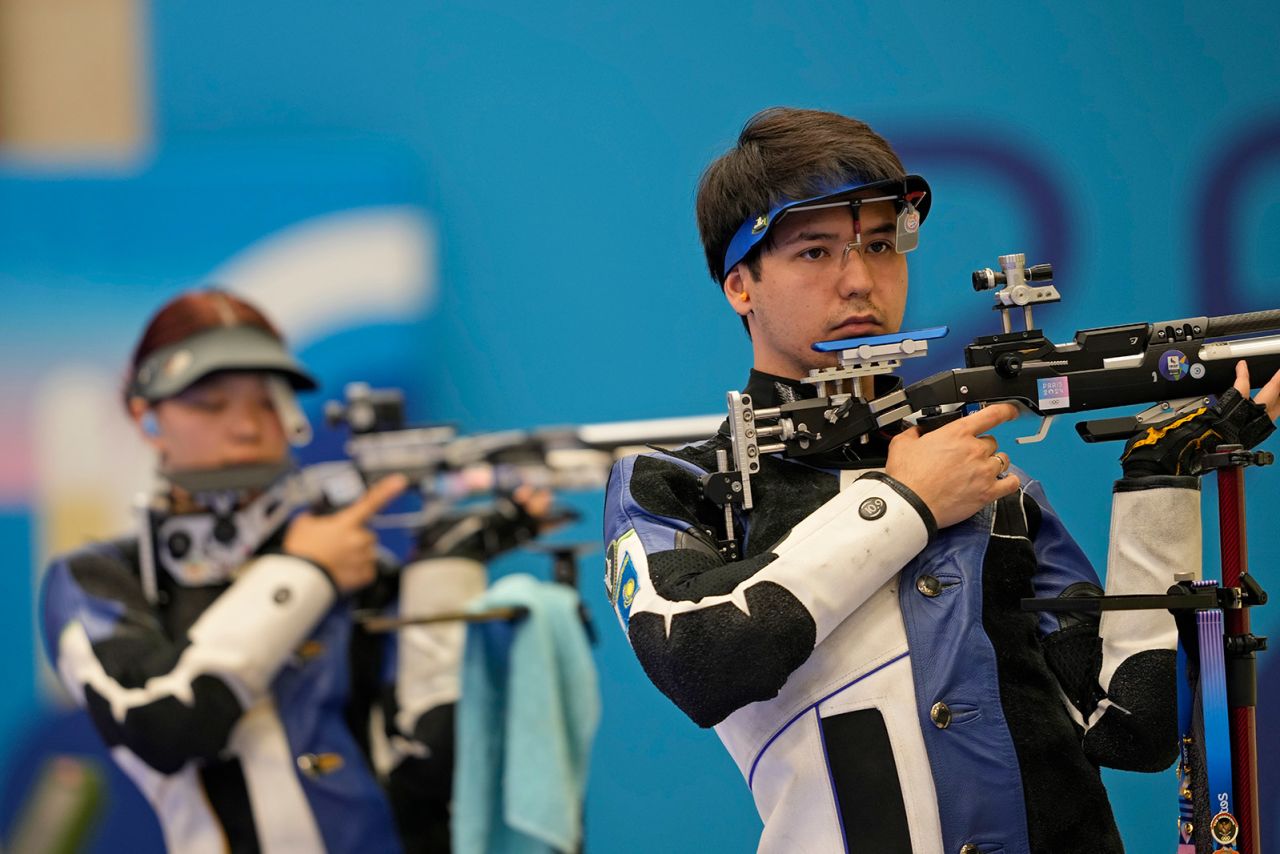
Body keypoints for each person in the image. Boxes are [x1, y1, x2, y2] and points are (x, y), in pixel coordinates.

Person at [601, 107, 1280, 854]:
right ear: (741, 285)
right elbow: (699, 660)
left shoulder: (991, 483)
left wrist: (1162, 478)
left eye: (882, 244)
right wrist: (906, 504)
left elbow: (1134, 730)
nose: (860, 280)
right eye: (815, 252)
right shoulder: (680, 483)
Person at [38, 289, 549, 852]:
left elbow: (431, 767)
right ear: (146, 416)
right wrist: (302, 573)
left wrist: (443, 573)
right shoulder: (99, 579)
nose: (246, 427)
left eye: (265, 403)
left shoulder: (357, 565)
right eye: (210, 402)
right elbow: (165, 730)